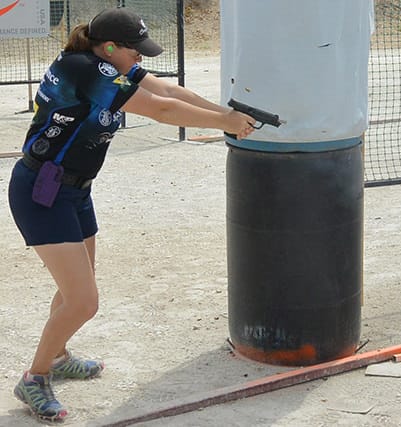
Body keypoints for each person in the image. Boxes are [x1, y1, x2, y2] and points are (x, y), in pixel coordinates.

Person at [8, 6, 255, 422]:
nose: (141, 57)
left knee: (76, 289)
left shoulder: (106, 64)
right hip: (42, 191)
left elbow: (170, 93)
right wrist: (224, 121)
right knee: (84, 302)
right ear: (109, 48)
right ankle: (34, 376)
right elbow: (159, 111)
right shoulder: (86, 69)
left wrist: (225, 113)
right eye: (135, 50)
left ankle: (58, 353)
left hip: (72, 189)